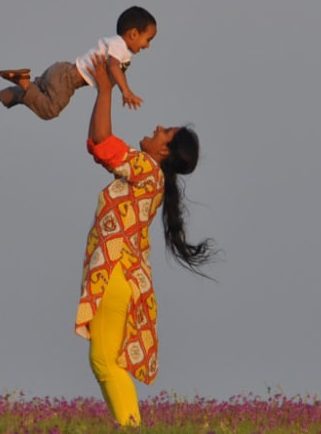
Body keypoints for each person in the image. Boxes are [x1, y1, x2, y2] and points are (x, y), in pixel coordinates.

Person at [73, 53, 216, 427]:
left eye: (163, 132)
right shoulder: (149, 176)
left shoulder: (146, 169)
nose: (156, 128)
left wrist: (104, 88)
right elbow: (97, 144)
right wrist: (102, 91)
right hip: (121, 277)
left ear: (164, 151)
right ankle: (127, 425)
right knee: (104, 360)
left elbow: (102, 141)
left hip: (117, 276)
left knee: (104, 361)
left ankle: (131, 427)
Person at [0, 6, 156, 120]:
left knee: (31, 94)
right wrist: (126, 92)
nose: (147, 46)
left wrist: (125, 88)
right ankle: (22, 81)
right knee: (50, 110)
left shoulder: (119, 50)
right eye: (148, 39)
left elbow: (119, 72)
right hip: (67, 79)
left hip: (61, 70)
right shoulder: (120, 46)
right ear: (133, 33)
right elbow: (114, 67)